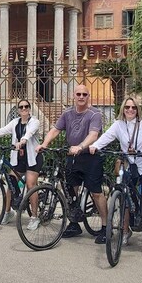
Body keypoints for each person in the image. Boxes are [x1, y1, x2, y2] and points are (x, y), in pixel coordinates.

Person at [36, 84, 106, 242]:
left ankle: (105, 226)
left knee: (96, 192)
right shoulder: (67, 113)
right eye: (78, 94)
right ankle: (74, 223)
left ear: (89, 97)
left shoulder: (95, 114)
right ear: (73, 96)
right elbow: (55, 130)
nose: (81, 97)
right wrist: (44, 144)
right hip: (73, 157)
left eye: (84, 94)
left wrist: (81, 146)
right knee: (70, 190)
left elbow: (94, 135)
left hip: (90, 157)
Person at [89, 96, 142, 245]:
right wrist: (95, 146)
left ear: (137, 110)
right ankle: (125, 231)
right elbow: (107, 136)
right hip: (130, 163)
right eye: (127, 107)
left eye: (133, 107)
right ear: (123, 109)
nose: (130, 110)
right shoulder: (118, 124)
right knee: (124, 196)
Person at [0, 99, 43, 227]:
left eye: (26, 106)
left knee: (31, 185)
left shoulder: (34, 121)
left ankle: (34, 217)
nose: (24, 109)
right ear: (18, 110)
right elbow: (2, 130)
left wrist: (22, 141)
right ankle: (8, 212)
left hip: (33, 157)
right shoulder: (15, 122)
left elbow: (29, 133)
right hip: (18, 158)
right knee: (10, 183)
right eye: (21, 107)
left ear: (29, 108)